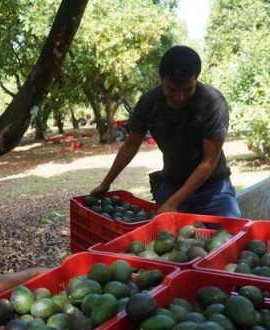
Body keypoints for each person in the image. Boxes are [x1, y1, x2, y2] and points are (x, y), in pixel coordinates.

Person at [91, 45, 241, 217]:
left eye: (187, 90)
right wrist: (105, 183)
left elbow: (208, 162)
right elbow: (130, 146)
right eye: (171, 90)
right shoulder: (149, 103)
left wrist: (172, 203)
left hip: (213, 187)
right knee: (162, 239)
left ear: (196, 79)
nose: (179, 97)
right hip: (172, 183)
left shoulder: (212, 103)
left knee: (229, 234)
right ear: (162, 80)